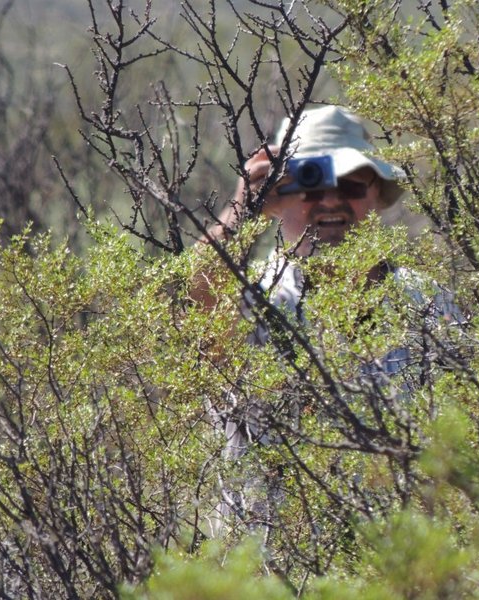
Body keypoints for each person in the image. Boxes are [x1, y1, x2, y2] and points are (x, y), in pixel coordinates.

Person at [194, 105, 462, 538]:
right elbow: (187, 312)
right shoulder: (252, 302)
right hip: (271, 567)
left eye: (351, 183)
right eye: (312, 183)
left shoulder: (430, 304)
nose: (332, 200)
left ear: (375, 193)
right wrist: (242, 207)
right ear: (279, 198)